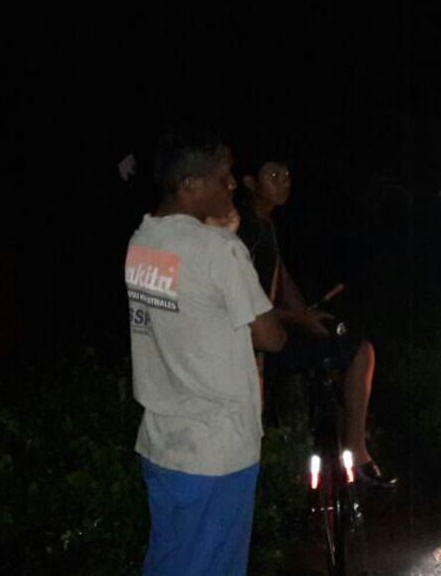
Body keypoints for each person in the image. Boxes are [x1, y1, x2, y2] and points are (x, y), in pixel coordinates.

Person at [125, 124, 286, 575]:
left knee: (170, 561)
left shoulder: (141, 242)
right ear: (190, 185)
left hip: (163, 444)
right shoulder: (220, 251)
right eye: (223, 176)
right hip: (218, 449)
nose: (232, 184)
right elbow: (272, 335)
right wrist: (230, 240)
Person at [236, 153, 395, 488]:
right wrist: (297, 318)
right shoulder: (243, 229)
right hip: (251, 338)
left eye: (287, 174)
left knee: (356, 346)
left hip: (273, 326)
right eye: (273, 174)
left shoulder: (267, 223)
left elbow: (282, 276)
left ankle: (355, 449)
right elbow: (242, 302)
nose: (284, 181)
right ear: (249, 183)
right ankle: (338, 458)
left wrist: (304, 314)